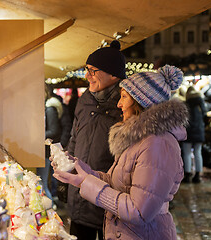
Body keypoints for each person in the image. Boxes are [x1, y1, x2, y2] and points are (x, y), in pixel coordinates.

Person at [53, 65, 188, 240]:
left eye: (124, 97)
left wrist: (87, 183)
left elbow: (139, 212)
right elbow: (116, 182)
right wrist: (79, 170)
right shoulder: (139, 139)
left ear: (141, 102)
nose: (119, 104)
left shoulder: (157, 144)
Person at [65, 40, 125, 240]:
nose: (86, 75)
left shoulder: (126, 106)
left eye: (92, 70)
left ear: (113, 74)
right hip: (80, 197)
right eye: (86, 69)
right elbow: (75, 139)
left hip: (110, 200)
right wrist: (65, 166)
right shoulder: (85, 101)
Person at [37, 86, 62, 201]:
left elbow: (54, 130)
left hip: (46, 152)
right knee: (41, 184)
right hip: (41, 151)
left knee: (42, 184)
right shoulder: (45, 109)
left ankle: (50, 213)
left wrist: (37, 134)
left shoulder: (50, 109)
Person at [182, 86, 206, 183]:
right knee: (198, 153)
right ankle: (197, 175)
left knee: (187, 153)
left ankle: (187, 175)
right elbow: (204, 115)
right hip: (199, 130)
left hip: (188, 132)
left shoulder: (185, 104)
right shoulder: (200, 103)